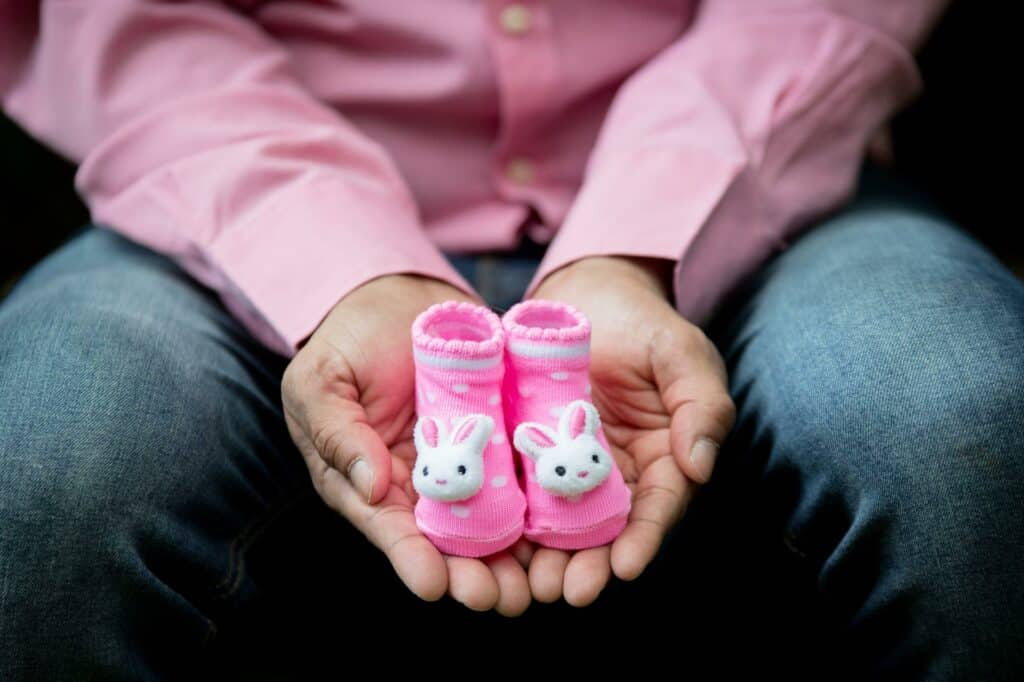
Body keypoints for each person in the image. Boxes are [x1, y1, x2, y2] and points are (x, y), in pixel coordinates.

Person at [1, 0, 1021, 679]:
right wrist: (344, 263)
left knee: (964, 413)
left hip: (753, 182)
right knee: (41, 459)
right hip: (235, 194)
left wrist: (634, 237)